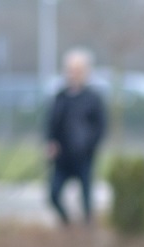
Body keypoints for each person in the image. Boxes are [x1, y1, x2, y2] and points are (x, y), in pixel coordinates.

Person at [45, 48, 107, 225]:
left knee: (86, 201)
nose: (73, 74)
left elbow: (101, 126)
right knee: (53, 195)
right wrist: (50, 143)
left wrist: (90, 146)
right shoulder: (60, 97)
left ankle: (87, 232)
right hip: (62, 158)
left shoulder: (93, 98)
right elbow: (50, 124)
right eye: (70, 70)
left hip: (84, 157)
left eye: (77, 70)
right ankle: (68, 225)